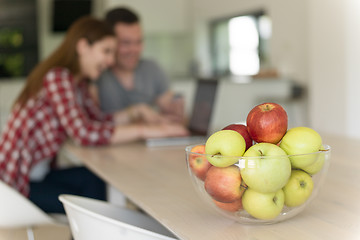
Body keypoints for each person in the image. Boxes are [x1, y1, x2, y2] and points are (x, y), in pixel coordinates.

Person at [0, 16, 188, 213]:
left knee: (95, 181)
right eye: (106, 51)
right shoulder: (57, 77)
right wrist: (146, 130)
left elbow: (99, 120)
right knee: (93, 204)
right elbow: (84, 133)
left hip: (39, 174)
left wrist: (139, 110)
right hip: (16, 184)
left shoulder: (78, 84)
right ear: (82, 46)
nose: (110, 61)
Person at [91, 7, 184, 123]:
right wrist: (137, 112)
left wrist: (176, 108)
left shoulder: (152, 69)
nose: (134, 50)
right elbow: (93, 122)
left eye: (138, 42)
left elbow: (173, 112)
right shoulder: (96, 73)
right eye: (126, 43)